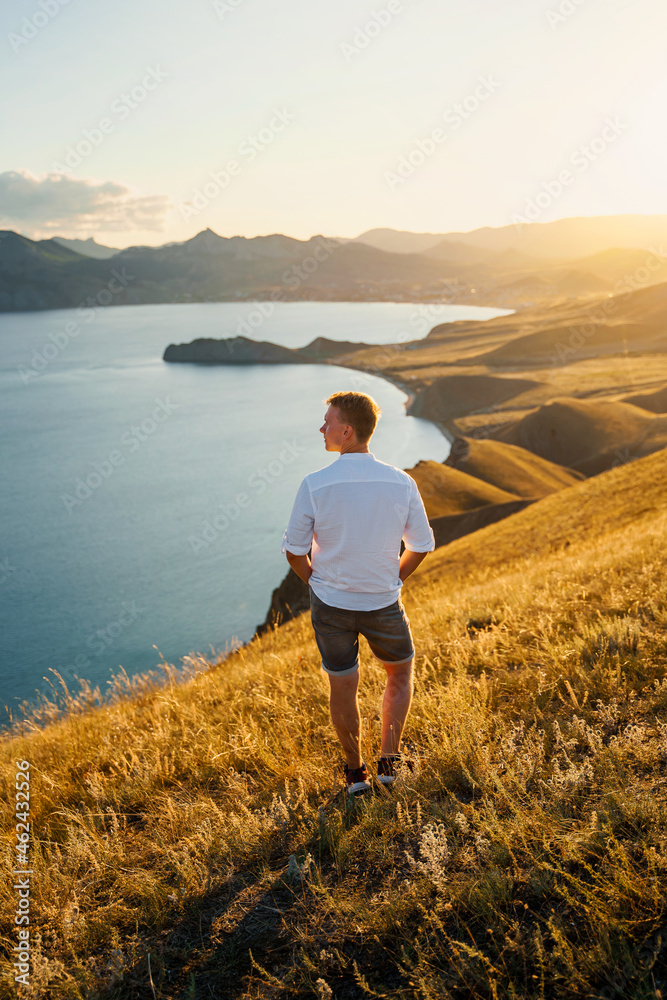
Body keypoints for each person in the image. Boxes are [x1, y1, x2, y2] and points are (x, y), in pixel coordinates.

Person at [281, 391, 434, 794]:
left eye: (328, 421)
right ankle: (388, 764)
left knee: (342, 687)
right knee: (399, 676)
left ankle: (355, 775)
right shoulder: (401, 482)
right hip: (383, 602)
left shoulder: (315, 484)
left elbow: (294, 551)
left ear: (346, 432)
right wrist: (394, 579)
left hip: (330, 605)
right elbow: (421, 545)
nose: (322, 428)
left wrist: (316, 581)